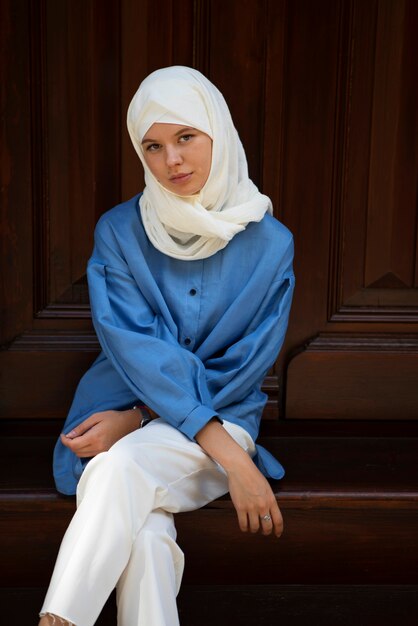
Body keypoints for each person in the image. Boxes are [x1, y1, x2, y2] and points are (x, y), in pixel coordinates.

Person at [38, 65, 295, 626]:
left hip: (218, 423)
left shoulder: (273, 246)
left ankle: (58, 620)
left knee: (117, 470)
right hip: (120, 415)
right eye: (152, 146)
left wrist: (145, 425)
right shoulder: (120, 232)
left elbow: (242, 369)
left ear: (217, 136)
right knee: (147, 528)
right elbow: (135, 348)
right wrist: (234, 466)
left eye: (185, 138)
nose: (171, 161)